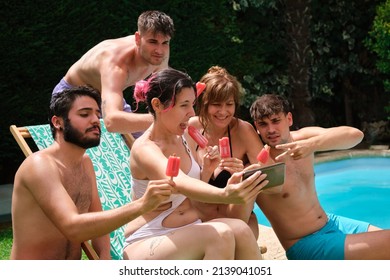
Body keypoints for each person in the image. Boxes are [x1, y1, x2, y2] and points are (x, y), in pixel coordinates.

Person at [11, 86, 174, 260]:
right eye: (84, 114)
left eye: (97, 114)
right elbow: (73, 228)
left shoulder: (85, 163)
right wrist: (142, 205)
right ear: (58, 122)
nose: (95, 120)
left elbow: (97, 222)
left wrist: (104, 258)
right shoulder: (39, 165)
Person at [122, 68, 267, 260]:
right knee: (220, 235)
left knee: (241, 229)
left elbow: (191, 192)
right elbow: (179, 182)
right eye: (184, 105)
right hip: (150, 236)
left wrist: (207, 169)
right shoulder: (145, 149)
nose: (191, 112)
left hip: (188, 228)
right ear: (157, 105)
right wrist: (225, 194)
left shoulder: (182, 136)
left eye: (192, 104)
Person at [250, 93, 390, 260]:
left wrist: (313, 144)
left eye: (276, 121)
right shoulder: (260, 163)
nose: (271, 129)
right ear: (256, 127)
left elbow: (355, 135)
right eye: (263, 124)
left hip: (331, 223)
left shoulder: (304, 138)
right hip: (306, 244)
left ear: (289, 119)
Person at [52, 10, 175, 137]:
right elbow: (112, 121)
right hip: (72, 97)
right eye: (152, 42)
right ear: (138, 38)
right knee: (90, 147)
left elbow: (165, 89)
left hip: (107, 97)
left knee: (152, 139)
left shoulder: (160, 53)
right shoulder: (115, 63)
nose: (159, 50)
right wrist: (165, 120)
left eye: (165, 43)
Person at [187, 66, 266, 238]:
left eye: (229, 104)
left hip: (239, 218)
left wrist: (245, 172)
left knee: (239, 240)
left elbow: (270, 174)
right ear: (205, 104)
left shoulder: (243, 130)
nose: (223, 112)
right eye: (216, 105)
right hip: (200, 219)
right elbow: (182, 186)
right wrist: (206, 172)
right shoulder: (189, 129)